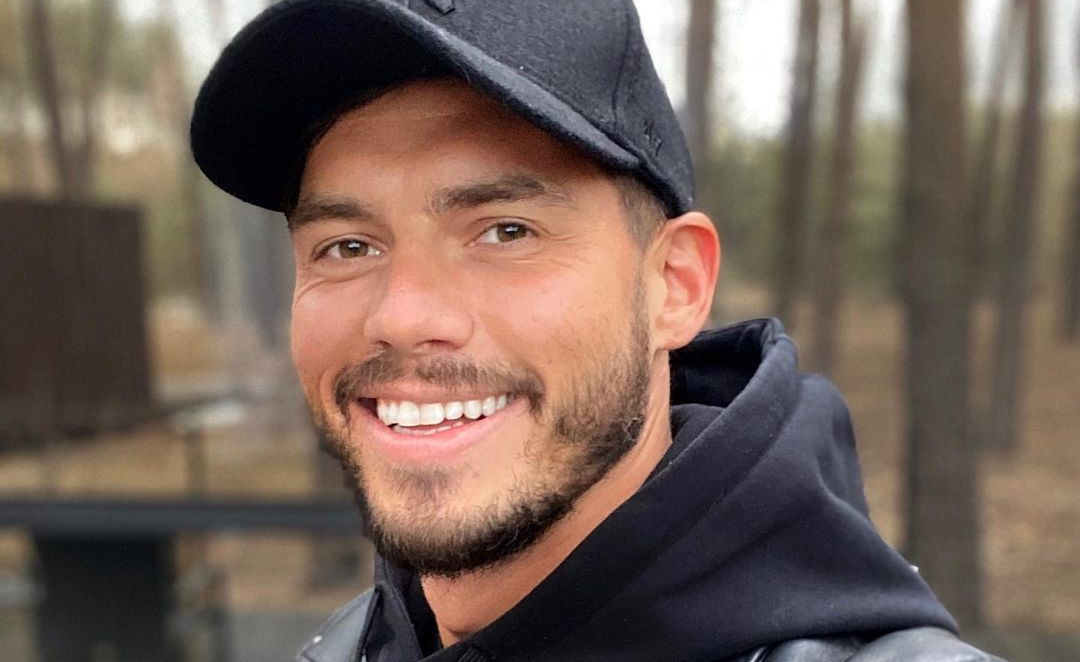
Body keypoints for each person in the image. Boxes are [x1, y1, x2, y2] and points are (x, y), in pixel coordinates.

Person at [191, 1, 1001, 660]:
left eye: (505, 231)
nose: (402, 315)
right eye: (348, 246)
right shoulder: (352, 644)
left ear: (674, 286)